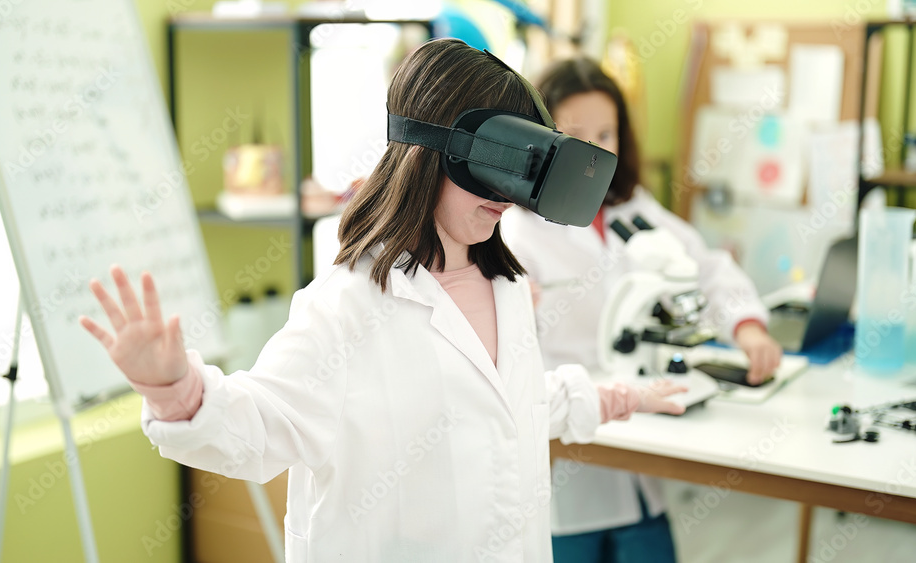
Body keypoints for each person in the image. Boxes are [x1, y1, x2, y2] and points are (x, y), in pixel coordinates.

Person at [78, 39, 686, 562]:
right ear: (429, 151)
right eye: (498, 163)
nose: (509, 195)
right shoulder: (346, 310)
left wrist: (618, 395)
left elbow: (514, 406)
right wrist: (174, 391)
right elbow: (261, 426)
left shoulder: (505, 288)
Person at [499, 57, 784, 562]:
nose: (593, 149)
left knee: (648, 541)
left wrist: (748, 327)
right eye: (575, 133)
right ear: (542, 138)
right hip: (567, 438)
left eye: (607, 133)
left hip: (639, 429)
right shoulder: (517, 227)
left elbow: (706, 265)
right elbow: (500, 341)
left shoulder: (633, 207)